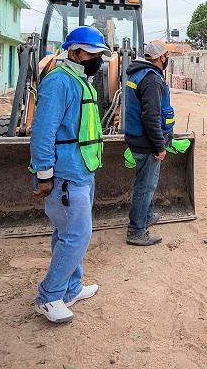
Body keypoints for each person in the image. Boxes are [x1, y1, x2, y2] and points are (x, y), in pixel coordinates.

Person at [30, 25, 111, 324]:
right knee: (77, 234)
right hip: (65, 175)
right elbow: (43, 131)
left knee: (67, 233)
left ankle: (71, 288)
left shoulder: (81, 80)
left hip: (83, 170)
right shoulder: (58, 81)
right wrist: (44, 173)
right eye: (91, 54)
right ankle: (49, 297)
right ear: (74, 52)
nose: (96, 60)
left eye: (99, 55)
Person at [123, 40, 176, 247]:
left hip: (138, 138)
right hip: (147, 142)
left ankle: (147, 216)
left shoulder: (137, 73)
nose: (167, 60)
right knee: (145, 186)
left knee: (145, 183)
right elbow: (151, 117)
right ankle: (137, 230)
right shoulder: (152, 79)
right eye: (166, 57)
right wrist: (159, 146)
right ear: (162, 57)